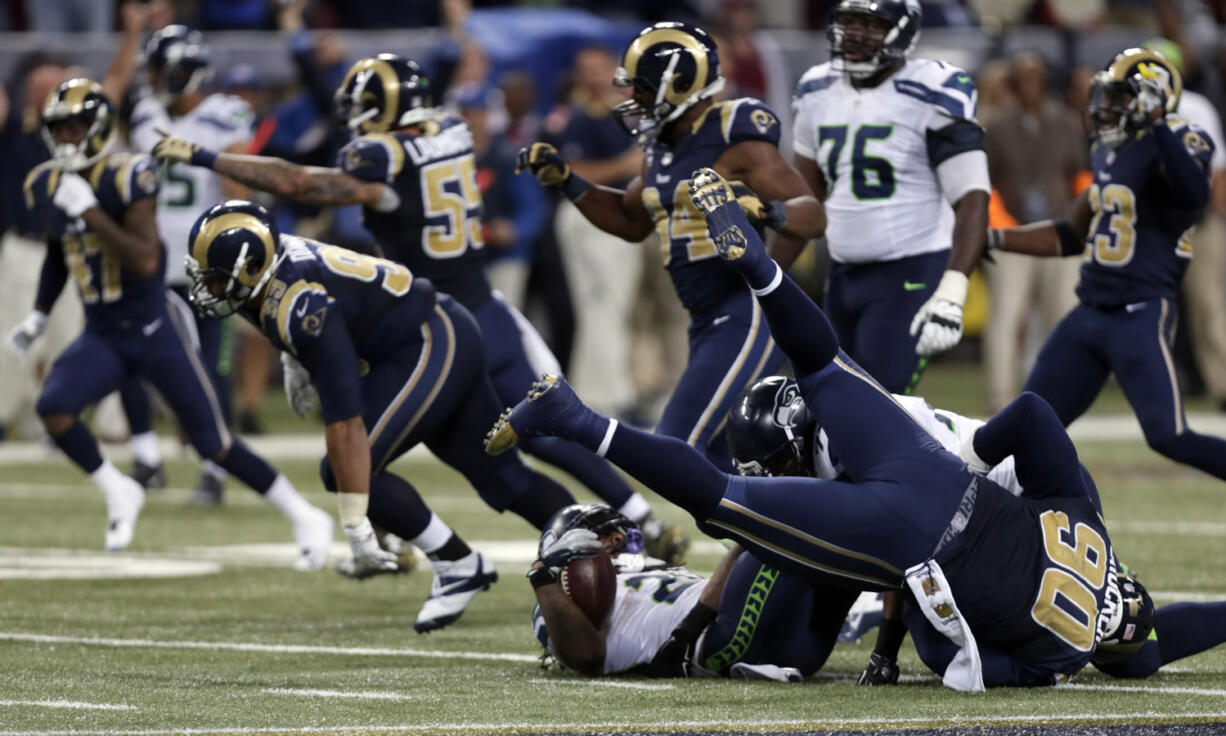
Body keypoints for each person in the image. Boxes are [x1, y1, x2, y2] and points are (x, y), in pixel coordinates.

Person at [486, 166, 1147, 689]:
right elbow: (964, 661)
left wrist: (969, 474)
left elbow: (1031, 417)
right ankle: (743, 282)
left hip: (934, 479)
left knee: (758, 451)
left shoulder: (1074, 534)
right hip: (927, 507)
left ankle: (742, 286)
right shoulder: (1057, 651)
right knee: (771, 431)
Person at [152, 53, 689, 564]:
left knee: (421, 440)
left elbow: (299, 181)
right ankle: (639, 523)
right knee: (532, 439)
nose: (356, 122)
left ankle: (414, 542)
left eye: (363, 109)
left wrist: (206, 156)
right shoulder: (451, 129)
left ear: (387, 109)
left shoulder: (383, 157)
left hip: (431, 322)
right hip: (480, 309)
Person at [185, 199, 578, 631]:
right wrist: (293, 360)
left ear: (253, 266)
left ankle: (460, 563)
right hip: (432, 333)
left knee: (347, 468)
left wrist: (356, 524)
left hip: (429, 340)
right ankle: (601, 547)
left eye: (218, 279)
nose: (211, 289)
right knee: (503, 476)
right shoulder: (271, 270)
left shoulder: (301, 306)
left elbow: (345, 420)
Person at [10, 79, 334, 571]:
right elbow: (62, 249)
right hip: (103, 332)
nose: (67, 139)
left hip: (153, 324)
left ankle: (306, 516)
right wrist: (38, 313)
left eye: (75, 128)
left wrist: (92, 212)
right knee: (55, 408)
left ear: (98, 128)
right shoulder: (51, 183)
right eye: (60, 130)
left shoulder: (129, 175)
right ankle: (118, 488)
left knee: (213, 442)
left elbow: (144, 260)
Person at [516, 21, 825, 471]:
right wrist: (568, 181)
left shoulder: (732, 131)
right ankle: (765, 541)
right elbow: (628, 219)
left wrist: (762, 211)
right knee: (723, 458)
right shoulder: (661, 144)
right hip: (706, 318)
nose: (632, 98)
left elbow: (812, 214)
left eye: (641, 87)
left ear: (680, 84)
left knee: (679, 444)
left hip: (746, 307)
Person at [988, 48, 1226, 481]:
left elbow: (1195, 194)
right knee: (1027, 425)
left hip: (1139, 313)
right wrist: (997, 237)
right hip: (1090, 312)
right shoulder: (1108, 150)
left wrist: (1156, 126)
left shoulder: (1182, 139)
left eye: (1117, 97)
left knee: (1168, 436)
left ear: (1149, 100)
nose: (1104, 106)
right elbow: (1071, 234)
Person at [783, 0, 989, 394]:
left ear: (904, 32)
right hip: (842, 273)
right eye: (849, 23)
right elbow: (805, 200)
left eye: (871, 25)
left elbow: (972, 197)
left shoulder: (934, 89)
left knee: (879, 404)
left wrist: (953, 288)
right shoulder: (816, 88)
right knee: (825, 402)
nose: (856, 34)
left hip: (910, 271)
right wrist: (765, 273)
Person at [125, 24, 257, 504]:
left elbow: (239, 188)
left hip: (207, 265)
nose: (153, 76)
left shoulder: (225, 115)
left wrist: (238, 257)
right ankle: (147, 459)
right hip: (151, 263)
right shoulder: (143, 114)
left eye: (160, 68)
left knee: (211, 370)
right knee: (129, 359)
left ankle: (214, 469)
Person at [528, 503, 859, 680]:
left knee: (861, 542)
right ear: (612, 538)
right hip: (717, 636)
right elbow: (587, 655)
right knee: (791, 525)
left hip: (792, 646)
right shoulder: (562, 595)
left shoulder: (641, 570)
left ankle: (885, 653)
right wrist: (545, 582)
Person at [981, 52, 1087, 413]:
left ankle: (1062, 399)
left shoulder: (1067, 122)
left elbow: (1081, 178)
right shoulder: (995, 124)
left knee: (1064, 318)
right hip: (1012, 234)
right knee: (1007, 317)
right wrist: (998, 226)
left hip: (1059, 233)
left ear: (1046, 81)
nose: (1031, 84)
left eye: (1036, 77)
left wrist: (1080, 224)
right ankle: (1000, 399)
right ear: (1012, 82)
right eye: (1024, 77)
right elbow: (983, 183)